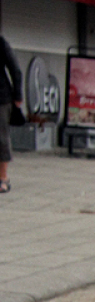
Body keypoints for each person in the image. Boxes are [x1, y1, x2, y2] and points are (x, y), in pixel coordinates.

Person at [0, 33, 23, 194]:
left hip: (1, 98)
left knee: (1, 138)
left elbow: (16, 70)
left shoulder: (1, 43)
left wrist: (18, 95)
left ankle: (3, 178)